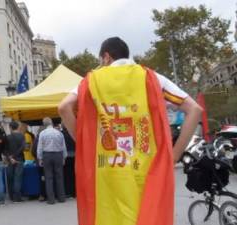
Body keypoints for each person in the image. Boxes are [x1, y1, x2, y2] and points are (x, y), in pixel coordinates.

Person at [58, 37, 203, 225]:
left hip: (106, 173)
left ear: (107, 57)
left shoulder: (90, 81)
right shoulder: (152, 78)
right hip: (145, 170)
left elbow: (63, 107)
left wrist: (84, 143)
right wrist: (174, 155)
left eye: (100, 60)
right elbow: (195, 110)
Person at [37, 117, 67, 204]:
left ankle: (51, 199)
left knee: (48, 177)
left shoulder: (42, 133)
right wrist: (64, 157)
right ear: (52, 123)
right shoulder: (59, 133)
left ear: (44, 124)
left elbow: (40, 147)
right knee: (59, 177)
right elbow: (63, 146)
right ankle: (61, 198)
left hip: (47, 155)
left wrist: (40, 158)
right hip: (58, 155)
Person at [6, 121, 26, 202]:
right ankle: (17, 197)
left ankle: (11, 197)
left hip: (10, 160)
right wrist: (15, 156)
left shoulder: (7, 137)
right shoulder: (22, 136)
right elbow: (22, 148)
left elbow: (5, 149)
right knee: (18, 178)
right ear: (18, 127)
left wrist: (10, 157)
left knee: (10, 178)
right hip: (19, 159)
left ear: (10, 127)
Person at [62, 126, 76, 198]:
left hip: (66, 156)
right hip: (75, 156)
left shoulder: (61, 134)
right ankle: (75, 192)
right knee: (75, 175)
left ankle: (68, 192)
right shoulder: (74, 133)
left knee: (67, 175)